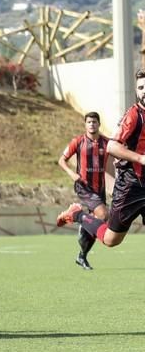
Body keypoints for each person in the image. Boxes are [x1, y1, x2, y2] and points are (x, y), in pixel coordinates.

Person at [57, 69, 145, 264]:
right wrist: (140, 158)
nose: (144, 91)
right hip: (132, 186)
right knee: (110, 239)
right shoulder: (133, 116)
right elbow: (113, 146)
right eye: (140, 87)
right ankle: (78, 214)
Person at [57, 111, 110, 270]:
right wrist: (72, 173)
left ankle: (82, 256)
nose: (92, 124)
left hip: (99, 189)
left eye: (94, 122)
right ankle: (77, 215)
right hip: (84, 186)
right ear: (85, 124)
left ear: (99, 124)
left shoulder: (107, 143)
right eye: (89, 122)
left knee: (96, 224)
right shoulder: (78, 141)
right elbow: (61, 160)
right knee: (104, 215)